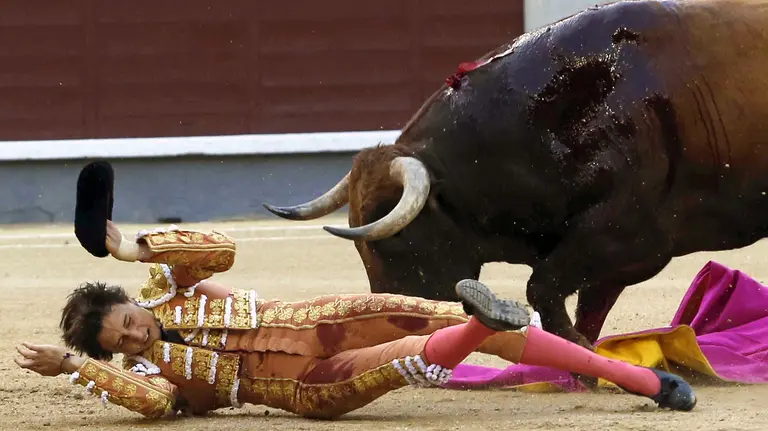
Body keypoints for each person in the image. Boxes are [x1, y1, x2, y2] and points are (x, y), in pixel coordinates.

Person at [14, 222, 697, 419]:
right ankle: (477, 329)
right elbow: (159, 402)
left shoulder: (169, 292)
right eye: (121, 341)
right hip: (310, 384)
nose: (136, 335)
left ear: (133, 302)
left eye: (128, 320)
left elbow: (220, 249)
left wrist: (137, 247)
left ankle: (634, 380)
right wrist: (81, 366)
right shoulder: (143, 374)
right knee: (410, 351)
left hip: (325, 319)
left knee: (431, 317)